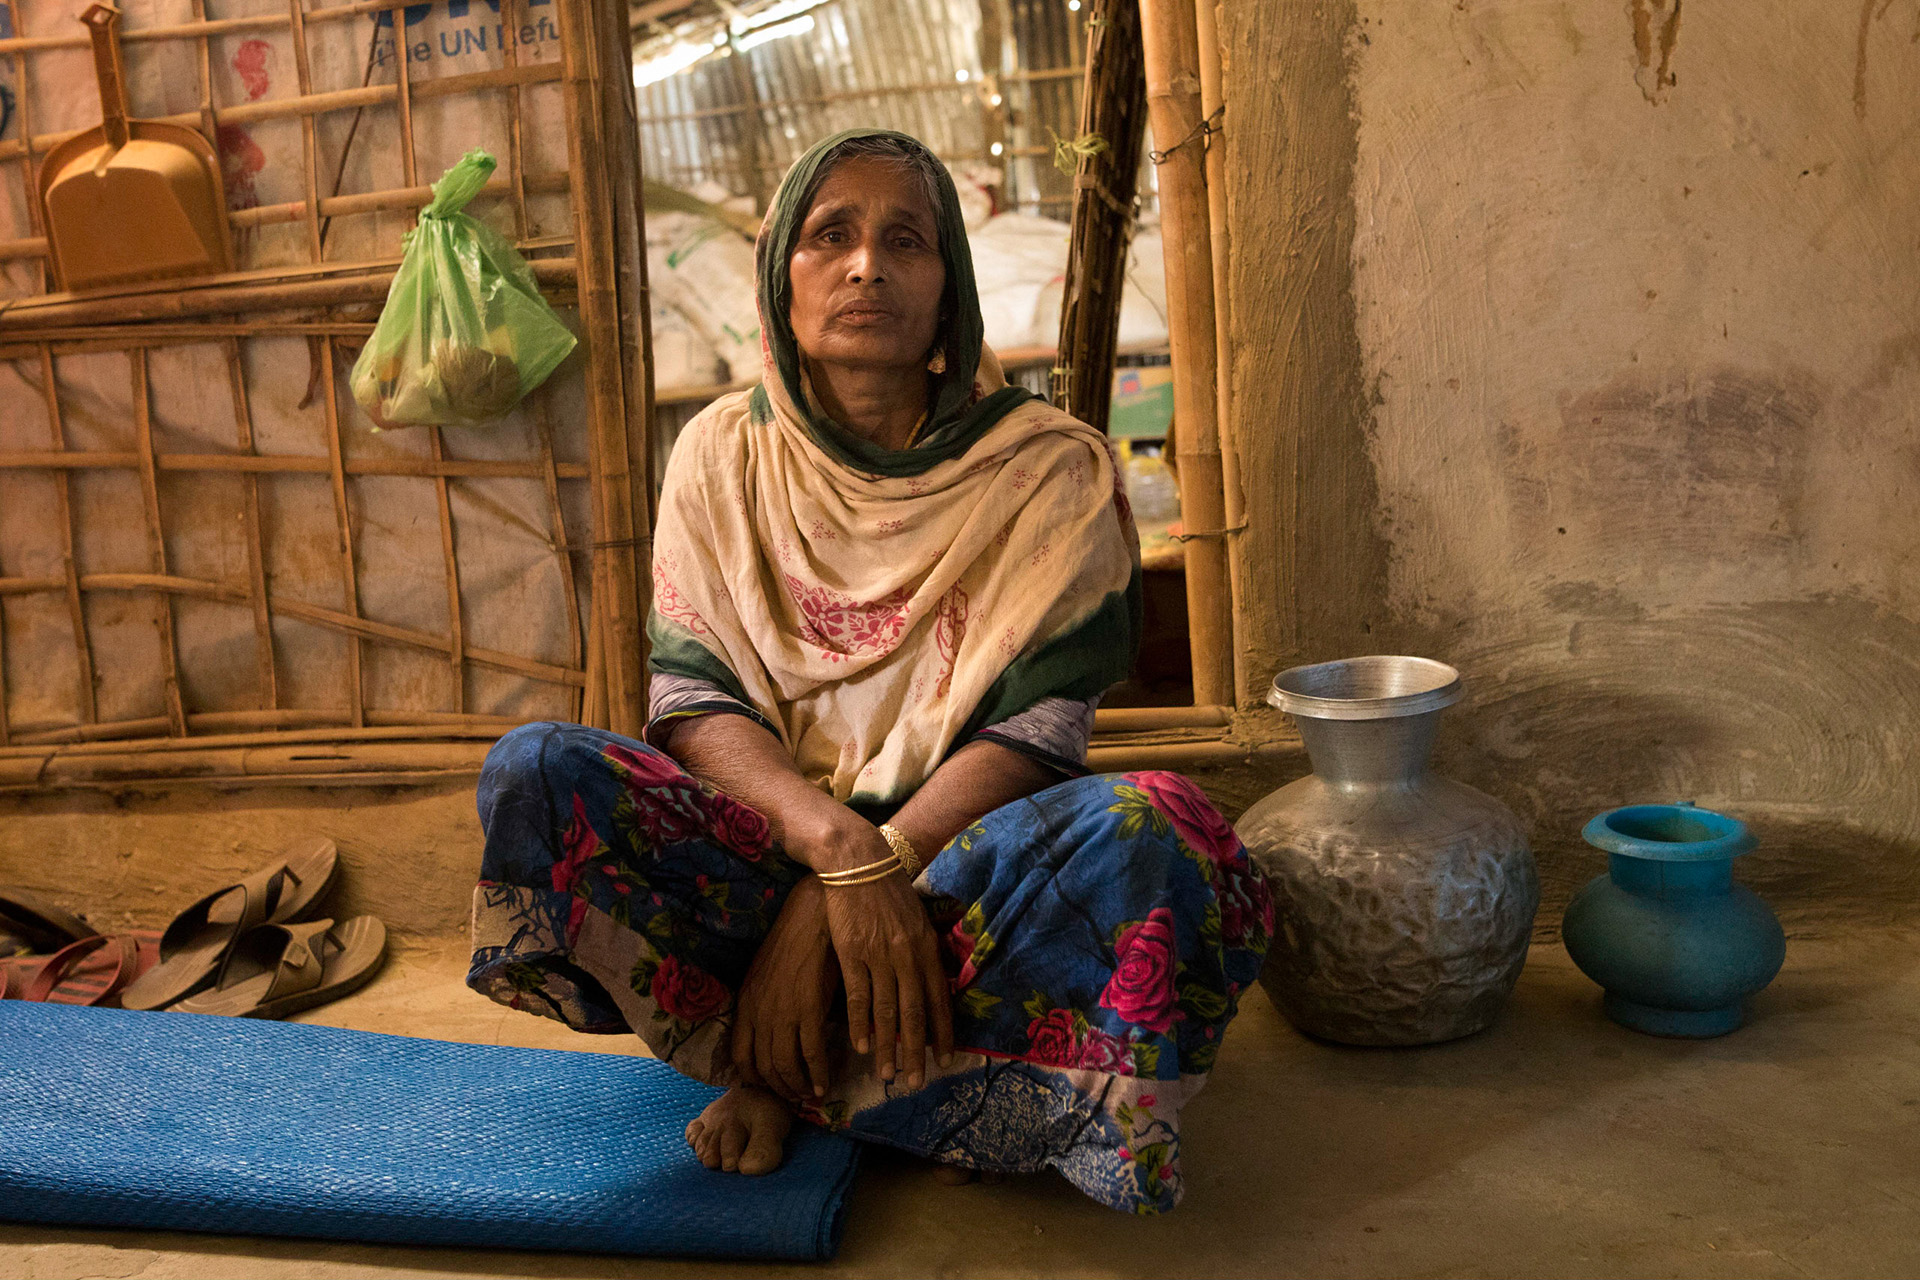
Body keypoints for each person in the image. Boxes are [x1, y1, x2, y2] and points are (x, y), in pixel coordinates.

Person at [468, 128, 1271, 1214]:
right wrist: (836, 852)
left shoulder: (1048, 468)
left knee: (1157, 829)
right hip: (767, 852)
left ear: (951, 289)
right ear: (780, 275)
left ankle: (798, 1069)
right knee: (539, 771)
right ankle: (943, 1090)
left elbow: (1041, 732)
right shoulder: (721, 453)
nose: (866, 266)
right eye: (830, 236)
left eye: (907, 240)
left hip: (963, 866)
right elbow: (693, 700)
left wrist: (874, 868)